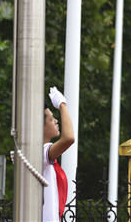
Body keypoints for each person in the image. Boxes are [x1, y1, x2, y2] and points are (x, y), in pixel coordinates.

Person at [43, 86, 75, 222]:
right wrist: (62, 105)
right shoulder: (40, 152)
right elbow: (69, 138)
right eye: (51, 119)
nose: (56, 121)